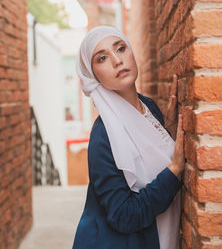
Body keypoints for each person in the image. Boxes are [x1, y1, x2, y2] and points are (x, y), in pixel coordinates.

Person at [72, 26, 184, 249]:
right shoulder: (102, 136)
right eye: (102, 58)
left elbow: (150, 158)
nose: (117, 60)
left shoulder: (149, 107)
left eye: (121, 48)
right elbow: (122, 215)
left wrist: (166, 131)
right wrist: (174, 171)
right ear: (94, 76)